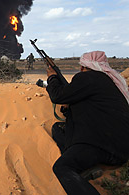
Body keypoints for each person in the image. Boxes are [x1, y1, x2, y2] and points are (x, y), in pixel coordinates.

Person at [47, 51, 129, 195]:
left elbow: (58, 95)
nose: (80, 70)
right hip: (121, 148)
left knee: (62, 167)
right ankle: (84, 164)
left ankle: (77, 166)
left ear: (85, 67)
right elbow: (90, 109)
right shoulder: (108, 82)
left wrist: (52, 77)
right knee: (58, 129)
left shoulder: (88, 78)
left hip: (102, 144)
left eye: (82, 66)